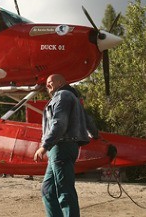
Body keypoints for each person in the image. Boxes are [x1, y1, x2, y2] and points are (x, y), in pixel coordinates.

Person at [33, 74, 98, 217]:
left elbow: (59, 123)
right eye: (46, 83)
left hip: (60, 146)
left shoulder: (61, 96)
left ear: (61, 82)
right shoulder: (73, 98)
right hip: (63, 148)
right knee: (48, 190)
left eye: (50, 82)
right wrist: (97, 136)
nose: (47, 85)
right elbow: (88, 120)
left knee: (65, 190)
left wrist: (45, 146)